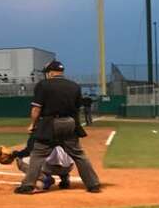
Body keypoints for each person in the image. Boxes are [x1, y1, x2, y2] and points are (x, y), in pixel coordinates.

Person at [14, 60, 101, 194]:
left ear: (51, 72)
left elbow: (36, 109)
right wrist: (75, 126)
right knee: (79, 154)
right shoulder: (74, 86)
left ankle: (28, 185)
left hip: (50, 123)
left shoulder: (43, 85)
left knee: (38, 154)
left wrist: (34, 124)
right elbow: (77, 109)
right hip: (69, 122)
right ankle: (93, 184)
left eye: (46, 73)